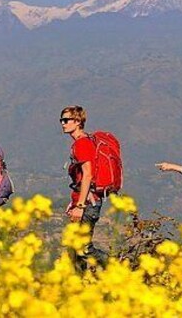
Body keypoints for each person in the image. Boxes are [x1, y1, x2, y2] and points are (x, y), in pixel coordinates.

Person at [60, 105, 110, 269]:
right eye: (62, 120)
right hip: (82, 200)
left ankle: (117, 266)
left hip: (88, 203)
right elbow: (80, 179)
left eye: (66, 120)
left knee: (83, 249)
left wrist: (80, 206)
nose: (62, 123)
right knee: (74, 250)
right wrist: (74, 202)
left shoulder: (82, 144)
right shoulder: (81, 143)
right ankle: (79, 287)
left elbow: (88, 174)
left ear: (77, 121)